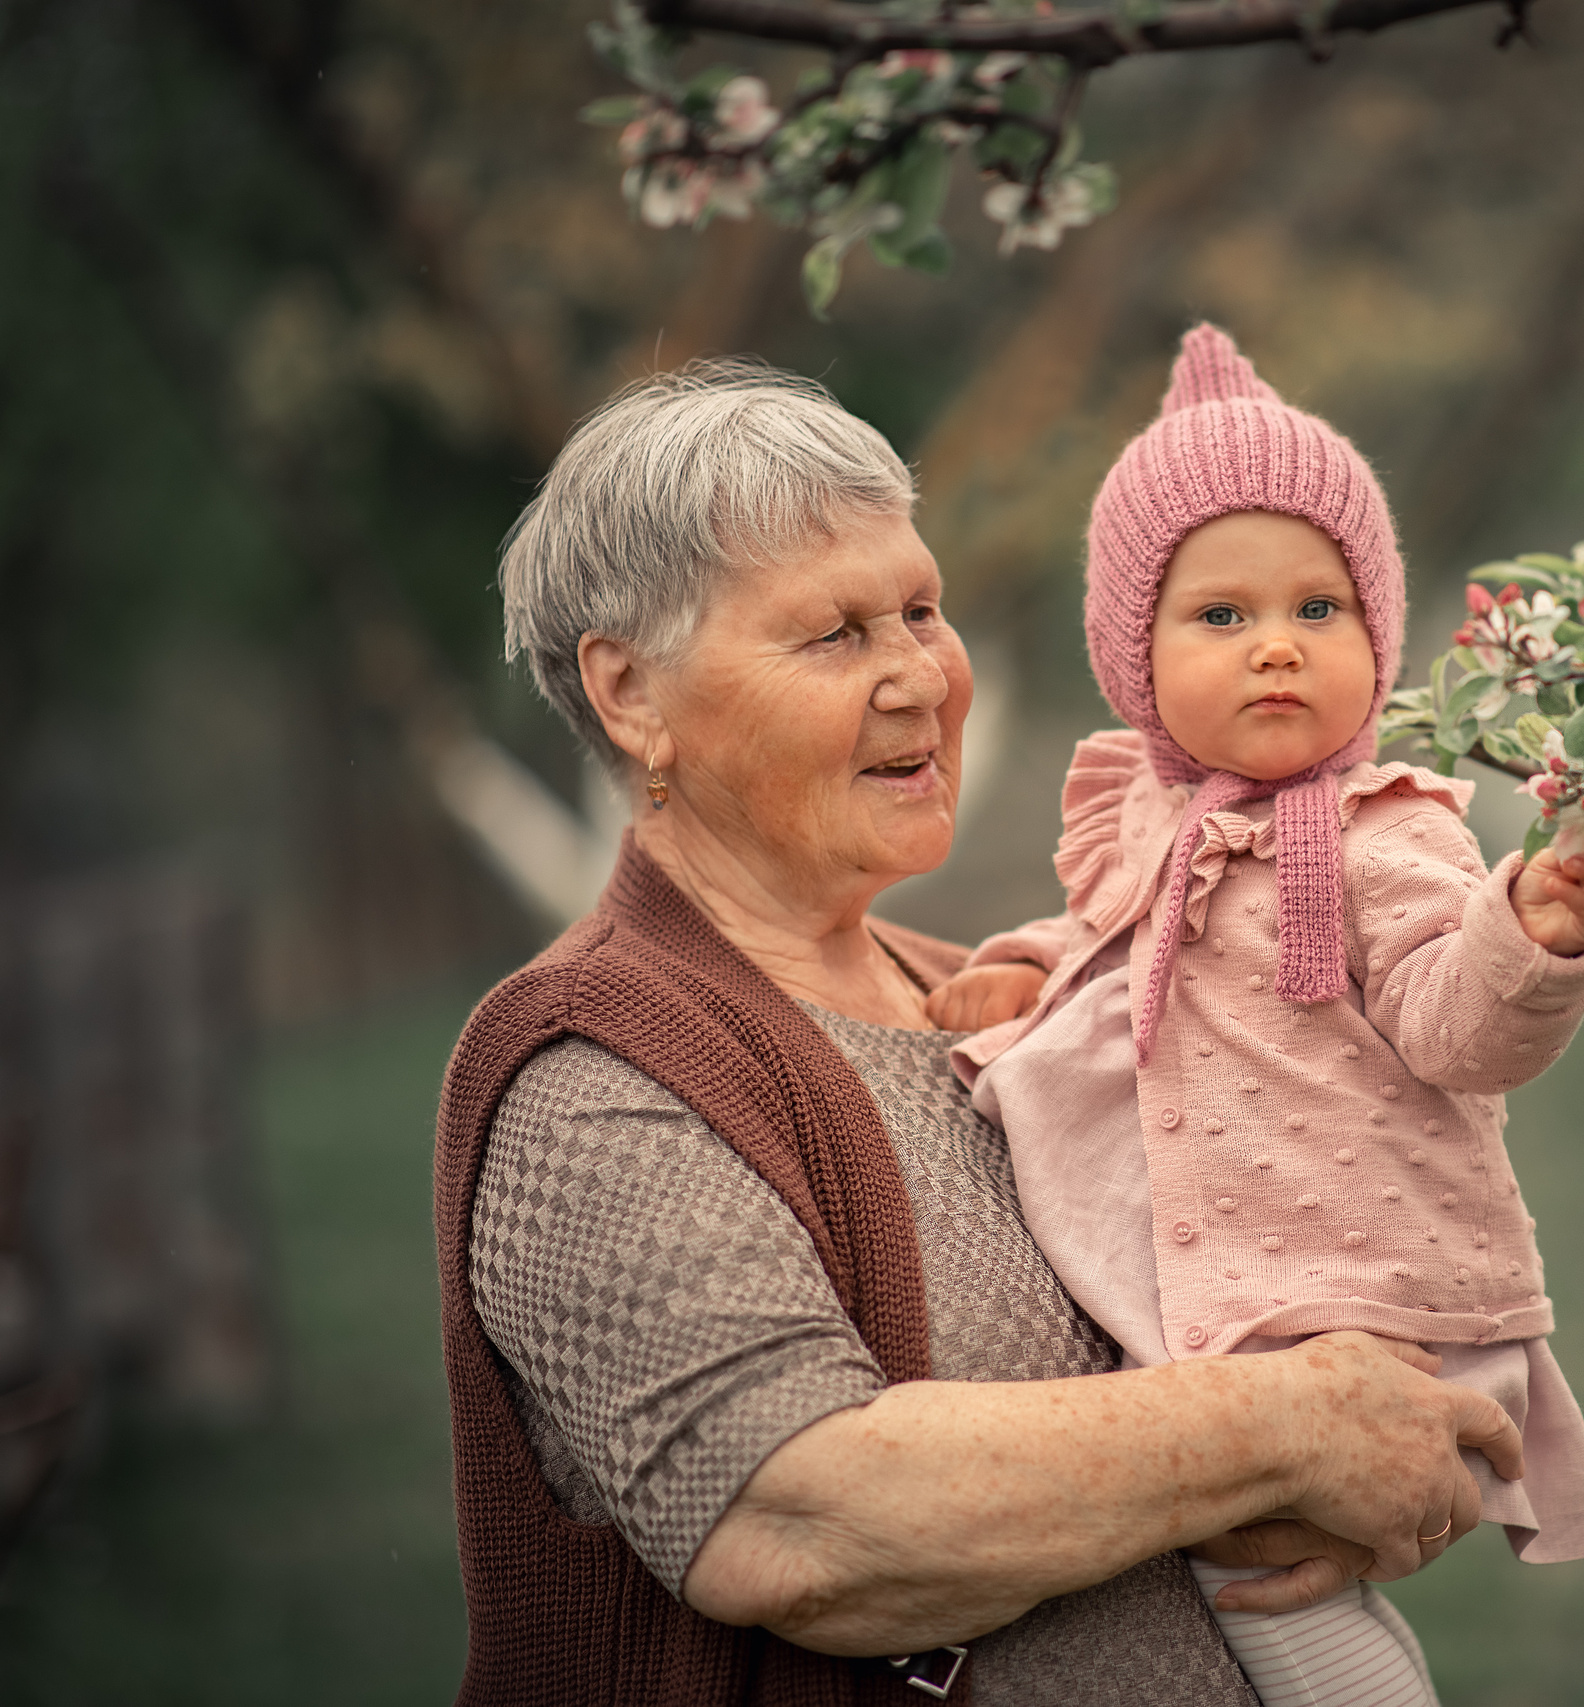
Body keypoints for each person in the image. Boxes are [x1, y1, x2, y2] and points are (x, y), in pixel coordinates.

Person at [433, 358, 1525, 1707]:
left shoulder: (1006, 1002)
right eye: (835, 635)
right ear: (631, 696)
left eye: (921, 609)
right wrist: (1282, 1431)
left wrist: (1392, 1421)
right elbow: (802, 1523)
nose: (919, 679)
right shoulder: (593, 1070)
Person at [931, 326, 1584, 1707]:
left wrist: (1532, 938)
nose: (1277, 652)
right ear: (1133, 656)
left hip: (1350, 1293)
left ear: (1379, 631)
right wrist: (1025, 968)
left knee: (1287, 1609)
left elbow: (1452, 1026)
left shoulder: (1389, 833)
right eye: (1222, 616)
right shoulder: (1147, 812)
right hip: (1239, 1291)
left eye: (1321, 611)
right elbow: (1111, 931)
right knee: (1238, 1587)